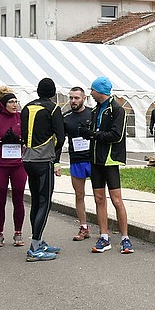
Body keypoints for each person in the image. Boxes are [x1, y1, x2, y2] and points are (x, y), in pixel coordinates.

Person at [79, 76, 133, 254]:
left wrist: (93, 134)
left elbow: (116, 135)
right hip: (95, 159)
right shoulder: (96, 109)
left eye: (92, 90)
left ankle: (125, 238)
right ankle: (104, 236)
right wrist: (87, 132)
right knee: (99, 198)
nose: (91, 93)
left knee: (117, 200)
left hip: (110, 160)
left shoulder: (117, 109)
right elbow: (95, 132)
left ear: (100, 91)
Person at [20, 78, 65, 261]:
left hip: (28, 158)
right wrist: (53, 153)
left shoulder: (27, 107)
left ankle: (38, 241)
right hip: (44, 159)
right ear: (53, 92)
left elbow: (23, 134)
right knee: (45, 202)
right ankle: (34, 247)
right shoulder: (53, 109)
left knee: (36, 201)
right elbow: (61, 137)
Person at [0, 91, 27, 248]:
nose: (14, 104)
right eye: (11, 102)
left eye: (16, 101)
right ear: (3, 104)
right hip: (0, 165)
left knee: (19, 198)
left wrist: (19, 139)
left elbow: (28, 138)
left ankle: (18, 232)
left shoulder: (21, 118)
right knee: (0, 200)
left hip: (18, 165)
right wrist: (2, 140)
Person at [63, 86, 93, 241]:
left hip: (93, 160)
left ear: (84, 98)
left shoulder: (93, 114)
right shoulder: (66, 117)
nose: (73, 101)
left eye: (76, 98)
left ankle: (104, 229)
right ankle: (83, 227)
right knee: (79, 194)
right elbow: (59, 140)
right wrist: (56, 162)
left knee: (100, 196)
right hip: (76, 160)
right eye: (71, 98)